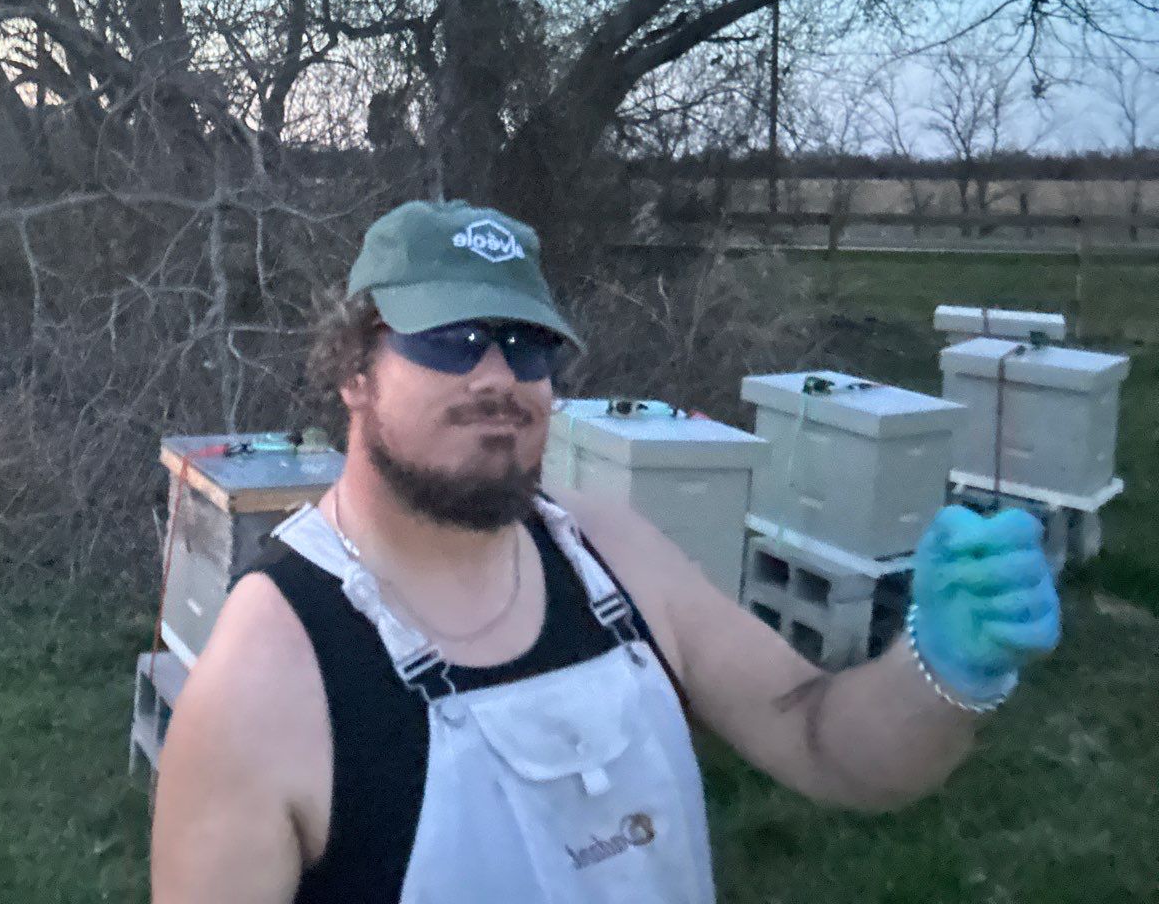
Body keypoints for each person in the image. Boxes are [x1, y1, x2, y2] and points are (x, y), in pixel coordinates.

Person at [150, 199, 1061, 904]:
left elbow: (820, 738)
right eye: (450, 341)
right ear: (356, 370)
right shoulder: (263, 679)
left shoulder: (609, 555)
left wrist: (944, 671)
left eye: (527, 345)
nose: (498, 377)